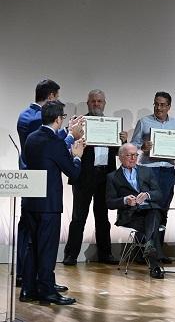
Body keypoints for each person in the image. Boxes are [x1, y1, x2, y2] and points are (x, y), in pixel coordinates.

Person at [19, 100, 85, 305]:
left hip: (30, 202)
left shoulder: (31, 138)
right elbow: (73, 173)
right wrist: (77, 156)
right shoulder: (54, 142)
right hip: (49, 206)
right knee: (47, 250)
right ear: (58, 119)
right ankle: (47, 291)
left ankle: (28, 290)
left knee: (32, 247)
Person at [64, 90, 127, 266]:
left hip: (105, 177)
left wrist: (122, 141)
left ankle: (105, 254)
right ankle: (71, 255)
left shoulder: (111, 125)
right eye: (93, 101)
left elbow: (116, 153)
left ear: (104, 103)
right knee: (78, 217)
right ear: (88, 103)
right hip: (84, 176)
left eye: (99, 101)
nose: (96, 104)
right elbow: (71, 148)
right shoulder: (80, 124)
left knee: (102, 217)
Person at [131, 91, 175, 263]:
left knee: (163, 211)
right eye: (156, 104)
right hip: (149, 170)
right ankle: (142, 251)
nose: (159, 107)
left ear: (169, 106)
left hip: (167, 171)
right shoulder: (144, 122)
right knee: (147, 211)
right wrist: (143, 146)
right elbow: (133, 145)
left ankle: (158, 251)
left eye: (163, 104)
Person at [106, 143, 165, 279]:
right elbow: (109, 203)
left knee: (154, 214)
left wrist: (148, 195)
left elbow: (159, 193)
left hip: (149, 210)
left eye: (135, 155)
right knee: (152, 225)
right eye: (129, 155)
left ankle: (154, 263)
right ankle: (153, 257)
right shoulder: (112, 177)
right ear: (120, 157)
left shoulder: (146, 171)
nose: (133, 158)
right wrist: (125, 200)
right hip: (130, 215)